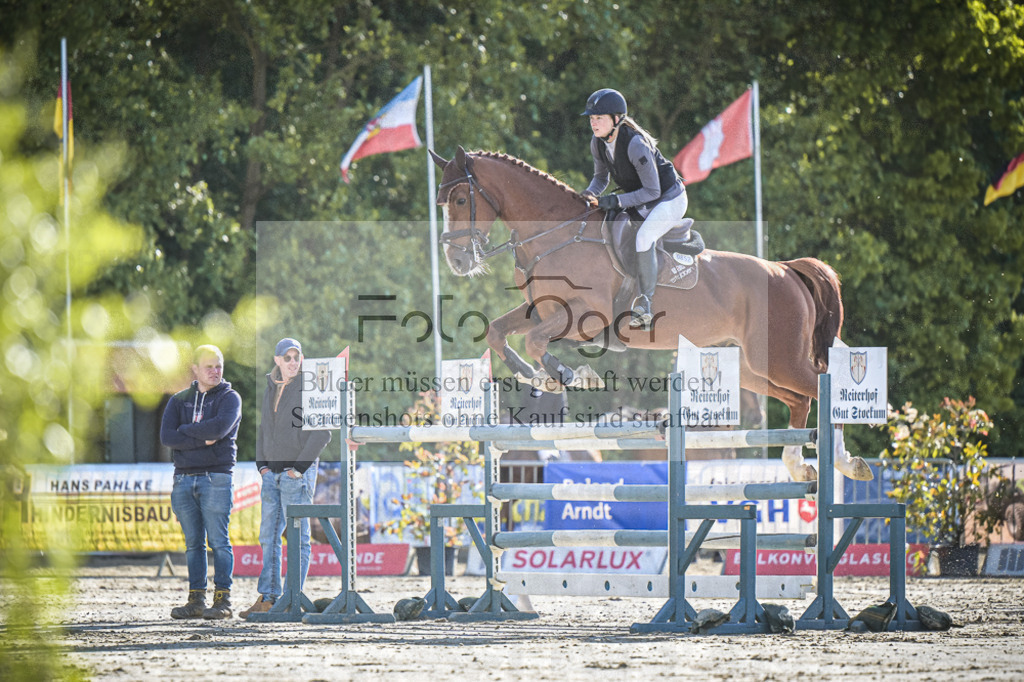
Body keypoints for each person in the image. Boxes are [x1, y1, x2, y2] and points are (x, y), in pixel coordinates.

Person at [239, 338, 331, 619]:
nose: (293, 362)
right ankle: (268, 598)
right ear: (277, 360)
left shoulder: (312, 387)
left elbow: (323, 432)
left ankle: (292, 598)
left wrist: (299, 469)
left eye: (297, 357)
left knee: (299, 538)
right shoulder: (270, 387)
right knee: (268, 536)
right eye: (287, 357)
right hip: (271, 473)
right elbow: (264, 428)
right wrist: (262, 466)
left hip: (296, 473)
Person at [581, 88, 688, 329]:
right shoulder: (597, 143)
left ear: (616, 119)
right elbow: (600, 179)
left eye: (599, 118)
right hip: (644, 198)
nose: (593, 123)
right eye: (591, 118)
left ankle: (645, 304)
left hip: (669, 199)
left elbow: (653, 192)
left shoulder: (635, 144)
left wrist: (616, 201)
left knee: (643, 237)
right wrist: (589, 194)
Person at [161, 344, 242, 620]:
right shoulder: (178, 400)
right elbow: (167, 437)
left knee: (219, 541)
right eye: (209, 366)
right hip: (183, 479)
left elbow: (218, 430)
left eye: (218, 365)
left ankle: (223, 600)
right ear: (195, 368)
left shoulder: (230, 398)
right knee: (193, 543)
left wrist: (185, 434)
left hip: (216, 477)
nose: (215, 371)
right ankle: (196, 600)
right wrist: (199, 437)